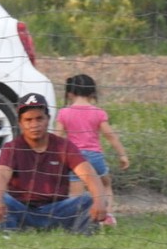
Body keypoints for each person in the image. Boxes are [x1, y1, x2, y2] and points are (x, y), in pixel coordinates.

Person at [0, 93, 107, 233]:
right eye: (28, 120)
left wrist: (99, 200)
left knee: (90, 200)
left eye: (39, 118)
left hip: (57, 210)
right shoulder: (11, 148)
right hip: (23, 209)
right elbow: (1, 175)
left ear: (48, 119)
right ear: (20, 123)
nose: (34, 125)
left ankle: (80, 235)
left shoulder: (63, 146)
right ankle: (10, 234)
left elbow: (89, 175)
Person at [54, 73, 130, 226]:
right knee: (105, 185)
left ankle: (76, 221)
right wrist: (122, 155)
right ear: (92, 93)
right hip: (95, 157)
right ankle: (106, 216)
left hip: (74, 159)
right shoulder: (98, 113)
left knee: (75, 194)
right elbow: (110, 136)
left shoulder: (64, 113)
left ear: (70, 93)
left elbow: (57, 138)